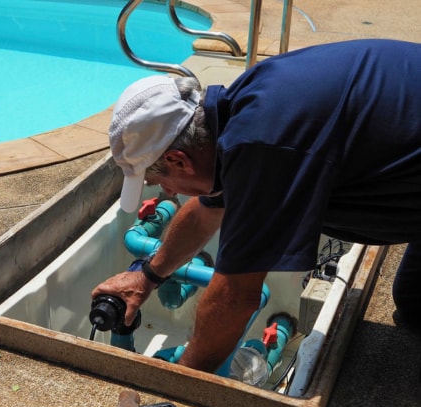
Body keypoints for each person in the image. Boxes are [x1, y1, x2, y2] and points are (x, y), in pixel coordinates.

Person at [91, 39, 421, 373]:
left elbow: (234, 297)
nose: (166, 191)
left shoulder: (263, 147)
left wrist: (180, 386)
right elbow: (207, 210)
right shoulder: (245, 106)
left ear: (178, 160)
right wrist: (146, 278)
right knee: (412, 300)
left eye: (160, 181)